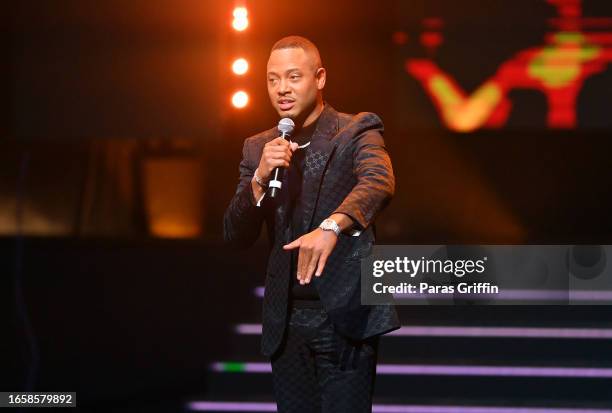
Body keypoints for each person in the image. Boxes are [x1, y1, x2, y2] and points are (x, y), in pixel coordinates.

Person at [223, 35, 399, 413]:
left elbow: (377, 182)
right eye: (272, 79)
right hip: (286, 322)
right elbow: (234, 234)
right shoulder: (258, 147)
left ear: (319, 78)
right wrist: (258, 177)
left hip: (344, 315)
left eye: (292, 77)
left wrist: (331, 227)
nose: (282, 89)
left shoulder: (355, 130)